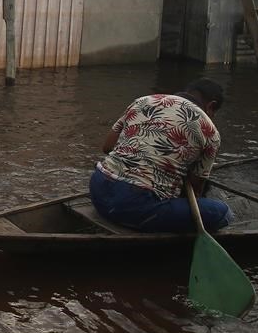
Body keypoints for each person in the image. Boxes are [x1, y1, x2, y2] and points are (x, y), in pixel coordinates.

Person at [89, 78, 234, 233]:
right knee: (224, 213)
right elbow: (195, 190)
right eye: (214, 113)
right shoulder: (210, 131)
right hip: (134, 205)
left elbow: (108, 147)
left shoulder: (143, 101)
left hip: (98, 189)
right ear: (211, 106)